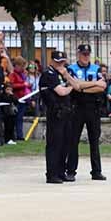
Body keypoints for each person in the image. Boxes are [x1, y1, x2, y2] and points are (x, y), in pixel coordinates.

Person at [66, 44, 108, 182]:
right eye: (83, 54)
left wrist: (82, 87)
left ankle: (96, 171)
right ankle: (71, 171)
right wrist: (92, 84)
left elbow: (102, 86)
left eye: (87, 54)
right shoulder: (71, 69)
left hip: (93, 108)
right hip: (77, 108)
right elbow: (73, 86)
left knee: (94, 141)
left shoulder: (96, 69)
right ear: (78, 54)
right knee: (73, 140)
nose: (86, 56)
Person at [40, 51, 78, 184]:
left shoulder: (65, 73)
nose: (61, 64)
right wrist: (70, 86)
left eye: (62, 61)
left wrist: (67, 77)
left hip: (67, 112)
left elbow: (77, 85)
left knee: (65, 143)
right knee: (54, 144)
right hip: (55, 113)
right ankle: (52, 173)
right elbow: (61, 92)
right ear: (52, 61)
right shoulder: (48, 74)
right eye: (58, 62)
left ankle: (61, 172)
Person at [8, 56, 31, 142]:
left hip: (24, 99)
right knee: (16, 118)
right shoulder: (12, 74)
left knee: (20, 118)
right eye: (21, 66)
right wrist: (23, 85)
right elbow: (12, 85)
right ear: (17, 65)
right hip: (17, 99)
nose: (23, 68)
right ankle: (16, 135)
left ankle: (20, 135)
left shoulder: (22, 74)